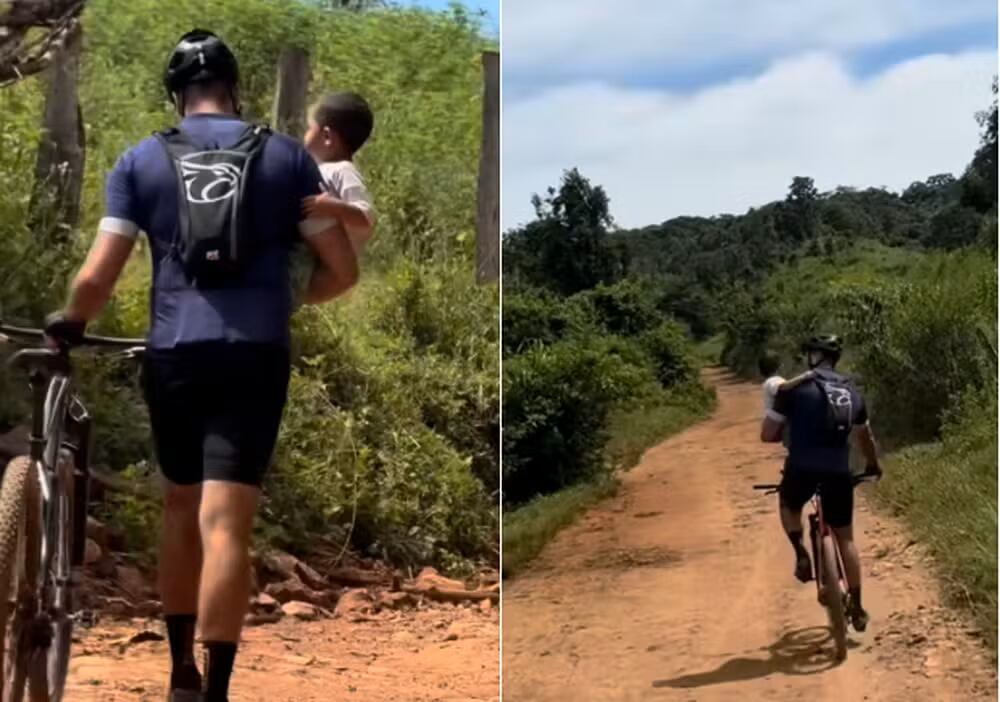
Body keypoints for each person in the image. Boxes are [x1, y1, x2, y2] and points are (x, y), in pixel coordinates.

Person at [43, 29, 358, 702]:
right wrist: (287, 302)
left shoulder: (140, 162)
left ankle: (180, 672)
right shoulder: (284, 158)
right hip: (255, 354)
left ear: (176, 95)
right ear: (235, 89)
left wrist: (70, 323)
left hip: (174, 353)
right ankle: (215, 691)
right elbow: (343, 269)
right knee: (228, 524)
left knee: (180, 509)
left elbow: (98, 276)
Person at [759, 334, 881, 632]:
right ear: (835, 359)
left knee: (789, 503)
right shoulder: (851, 390)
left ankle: (800, 551)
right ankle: (857, 603)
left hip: (801, 468)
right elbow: (864, 437)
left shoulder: (793, 389)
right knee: (846, 538)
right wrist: (873, 464)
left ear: (813, 356)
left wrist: (785, 432)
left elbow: (767, 433)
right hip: (838, 471)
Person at [292, 91, 375, 305]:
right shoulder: (319, 168)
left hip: (321, 260)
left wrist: (332, 207)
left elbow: (365, 217)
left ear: (327, 137)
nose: (305, 135)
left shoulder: (343, 170)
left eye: (309, 128)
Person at [758, 350, 816, 416]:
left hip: (773, 420)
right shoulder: (773, 380)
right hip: (776, 422)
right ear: (779, 366)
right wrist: (805, 376)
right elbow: (783, 386)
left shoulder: (769, 381)